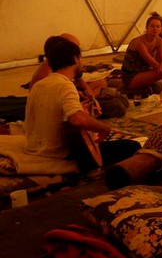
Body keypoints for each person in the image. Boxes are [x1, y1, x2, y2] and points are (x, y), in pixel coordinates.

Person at [24, 38, 139, 168]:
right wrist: (103, 128)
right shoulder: (65, 85)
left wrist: (86, 108)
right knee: (132, 146)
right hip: (58, 153)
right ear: (75, 58)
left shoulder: (38, 85)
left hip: (33, 148)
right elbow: (77, 119)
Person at [30, 34, 106, 101]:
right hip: (54, 99)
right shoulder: (52, 67)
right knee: (113, 105)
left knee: (101, 82)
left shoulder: (62, 62)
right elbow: (56, 93)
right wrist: (76, 94)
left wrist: (87, 90)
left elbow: (78, 79)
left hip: (66, 92)